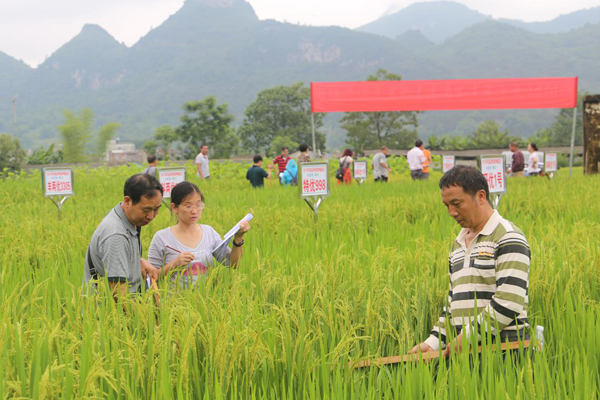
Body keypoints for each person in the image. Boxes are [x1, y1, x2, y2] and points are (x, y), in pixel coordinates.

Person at [409, 166, 530, 357]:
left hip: (505, 347)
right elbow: (453, 304)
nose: (451, 212)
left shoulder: (508, 237)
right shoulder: (457, 244)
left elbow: (509, 301)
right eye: (447, 206)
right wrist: (432, 343)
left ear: (481, 196)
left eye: (456, 204)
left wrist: (467, 337)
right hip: (466, 348)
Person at [147, 181, 250, 286]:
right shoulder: (161, 238)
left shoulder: (209, 233)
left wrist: (238, 238)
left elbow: (233, 264)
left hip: (207, 295)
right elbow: (151, 278)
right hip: (174, 296)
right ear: (174, 208)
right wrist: (174, 264)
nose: (194, 211)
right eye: (188, 206)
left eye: (198, 205)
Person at [84, 174, 162, 300]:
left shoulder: (130, 219)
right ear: (127, 201)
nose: (151, 216)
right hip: (108, 309)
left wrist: (139, 261)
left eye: (156, 209)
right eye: (146, 210)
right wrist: (145, 313)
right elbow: (119, 295)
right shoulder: (116, 235)